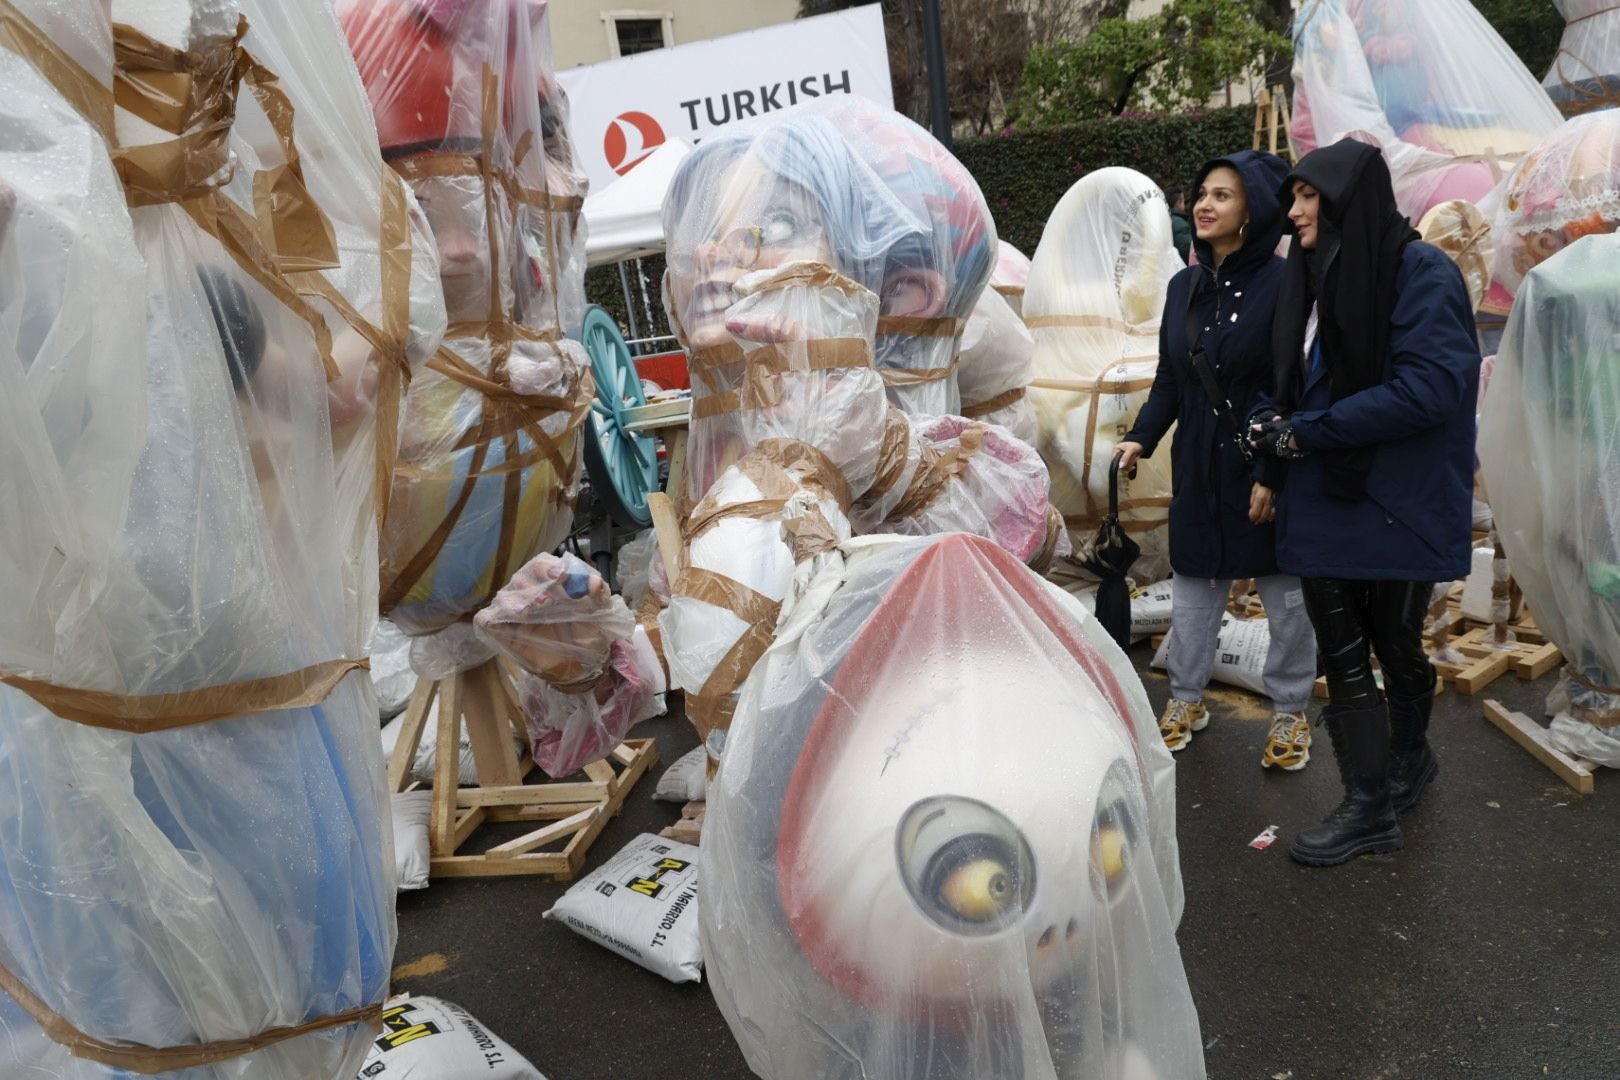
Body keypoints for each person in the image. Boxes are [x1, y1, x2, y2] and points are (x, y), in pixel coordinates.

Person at [1251, 138, 1479, 867]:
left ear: (1350, 197)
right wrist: (1270, 426)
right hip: (1328, 496)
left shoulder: (1419, 272)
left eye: (1308, 195)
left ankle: (1406, 763)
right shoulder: (1315, 278)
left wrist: (1304, 434)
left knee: (1396, 643)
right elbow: (1294, 381)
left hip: (1395, 497)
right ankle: (1370, 801)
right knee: (1345, 653)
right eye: (1293, 197)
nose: (1294, 211)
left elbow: (1430, 388)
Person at [1116, 151, 1318, 769]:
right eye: (1202, 192)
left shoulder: (1287, 282)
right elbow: (1172, 379)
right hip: (1198, 464)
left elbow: (1291, 385)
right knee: (1196, 587)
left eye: (1223, 196)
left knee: (1285, 599)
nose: (1204, 204)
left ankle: (1290, 712)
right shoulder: (1184, 286)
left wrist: (1272, 473)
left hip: (1262, 461)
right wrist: (1142, 437)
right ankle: (1185, 698)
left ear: (1251, 211)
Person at [1166, 186, 1193, 264]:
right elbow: (1189, 252)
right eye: (1184, 201)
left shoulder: (1165, 218)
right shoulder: (1179, 224)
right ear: (1178, 203)